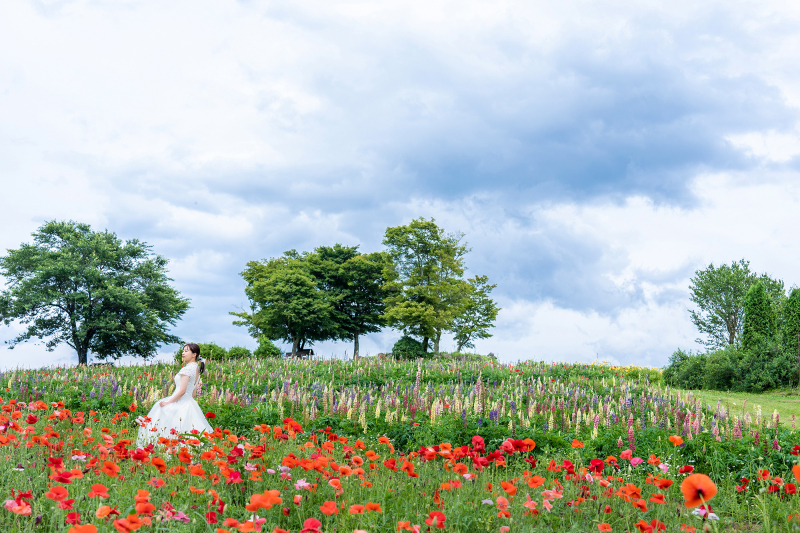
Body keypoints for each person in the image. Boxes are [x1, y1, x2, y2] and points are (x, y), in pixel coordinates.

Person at [136, 343, 213, 447]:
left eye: (186, 351)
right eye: (183, 351)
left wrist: (168, 402)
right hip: (189, 403)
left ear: (194, 354)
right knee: (187, 430)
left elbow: (182, 391)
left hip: (180, 401)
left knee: (165, 420)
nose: (183, 353)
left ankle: (161, 447)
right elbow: (193, 393)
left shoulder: (187, 369)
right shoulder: (197, 369)